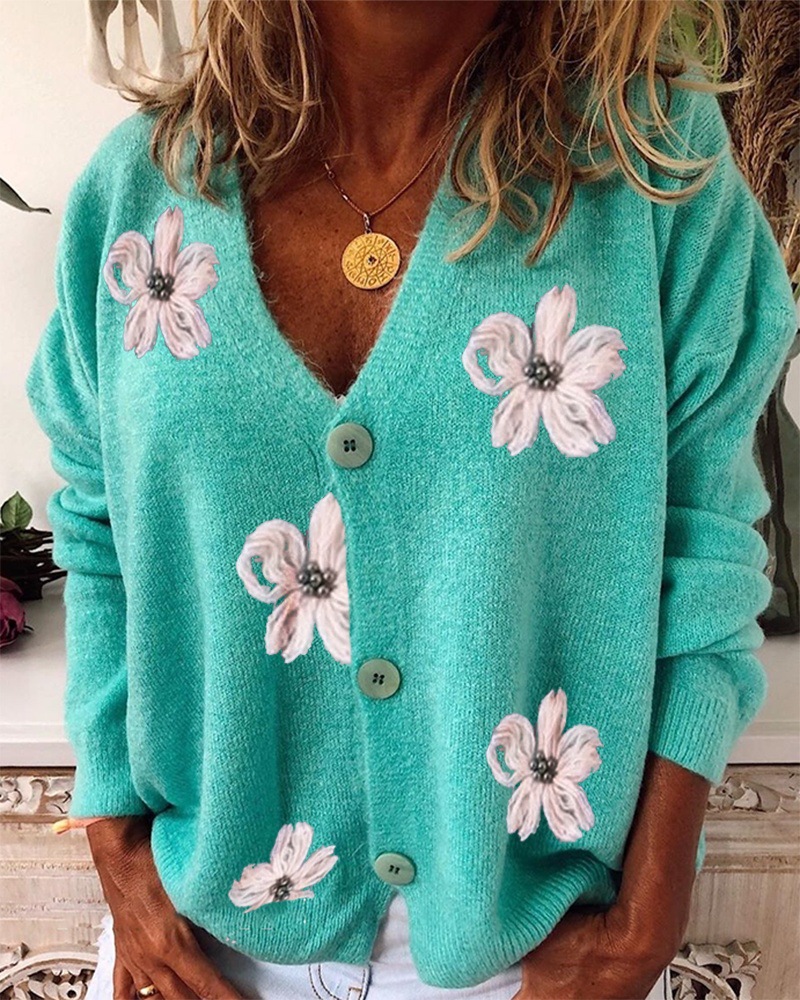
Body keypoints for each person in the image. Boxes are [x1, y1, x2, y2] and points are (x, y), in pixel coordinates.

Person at [25, 1, 796, 998]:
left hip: (532, 951)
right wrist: (119, 857)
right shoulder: (141, 189)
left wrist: (643, 925)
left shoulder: (650, 167)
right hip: (196, 938)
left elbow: (704, 555)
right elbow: (99, 534)